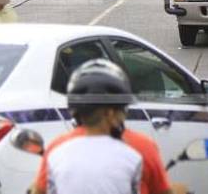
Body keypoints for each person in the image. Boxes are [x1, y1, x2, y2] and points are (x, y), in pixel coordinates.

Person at [31, 59, 181, 194]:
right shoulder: (141, 148)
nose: (124, 114)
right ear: (109, 113)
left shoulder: (56, 147)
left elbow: (39, 190)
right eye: (123, 108)